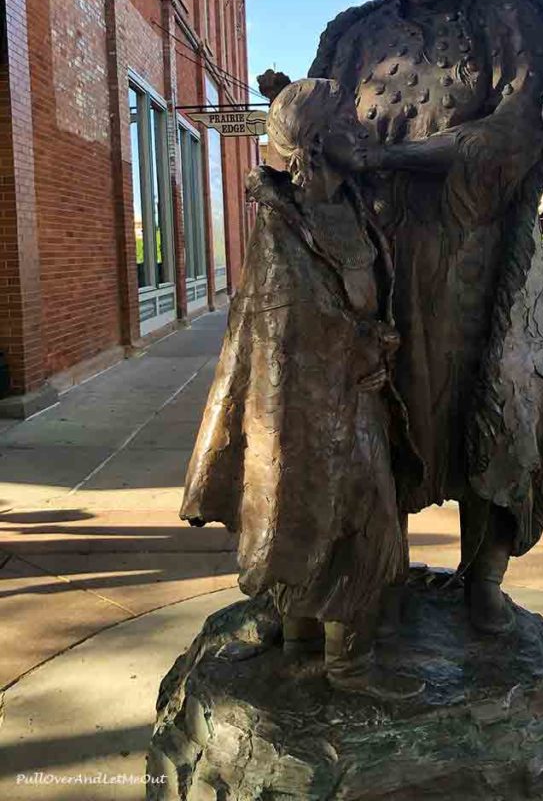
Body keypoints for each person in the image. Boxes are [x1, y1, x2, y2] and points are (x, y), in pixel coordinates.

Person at [310, 0, 543, 633]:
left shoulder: (506, 19)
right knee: (376, 414)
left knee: (492, 407)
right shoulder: (355, 35)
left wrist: (399, 158)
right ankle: (378, 572)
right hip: (375, 262)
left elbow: (518, 128)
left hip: (481, 255)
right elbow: (318, 127)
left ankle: (483, 579)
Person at [180, 78, 423, 699]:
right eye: (349, 118)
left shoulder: (350, 208)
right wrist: (365, 345)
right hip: (312, 402)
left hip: (355, 392)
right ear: (317, 140)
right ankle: (343, 663)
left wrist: (380, 341)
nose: (362, 127)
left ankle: (310, 643)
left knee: (340, 515)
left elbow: (368, 292)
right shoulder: (283, 221)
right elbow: (290, 318)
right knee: (347, 519)